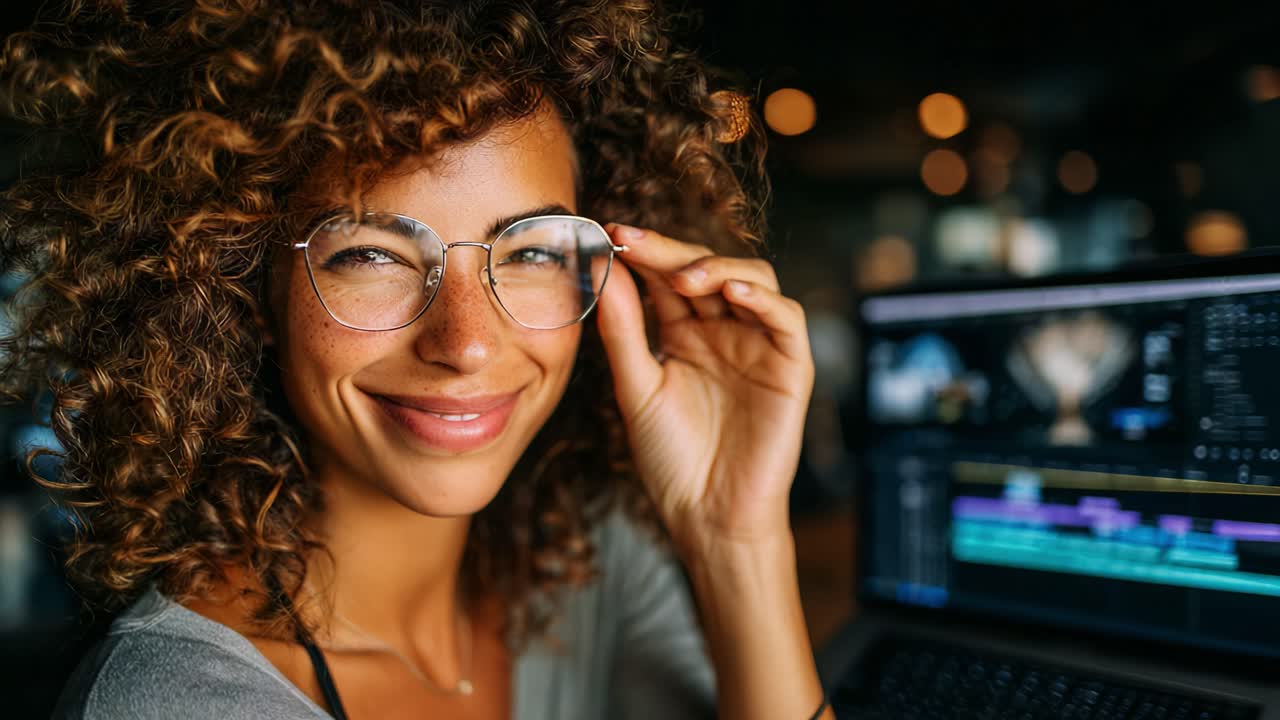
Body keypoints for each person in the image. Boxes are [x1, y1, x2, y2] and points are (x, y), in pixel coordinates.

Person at [0, 2, 829, 718]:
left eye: (532, 251)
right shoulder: (183, 702)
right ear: (246, 286)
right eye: (371, 256)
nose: (466, 343)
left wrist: (734, 541)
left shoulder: (594, 565)